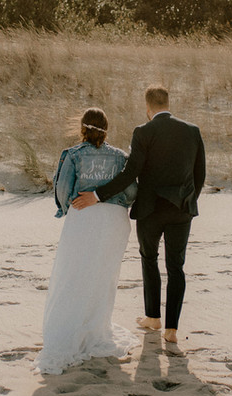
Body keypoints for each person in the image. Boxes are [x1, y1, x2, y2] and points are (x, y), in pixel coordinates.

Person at [72, 85, 205, 344]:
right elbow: (199, 174)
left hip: (150, 210)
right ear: (168, 102)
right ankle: (172, 330)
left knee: (149, 259)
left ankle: (153, 317)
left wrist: (98, 195)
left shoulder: (143, 131)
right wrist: (189, 201)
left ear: (147, 108)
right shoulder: (192, 131)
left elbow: (130, 172)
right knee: (176, 267)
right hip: (181, 210)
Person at [33, 108, 139, 375]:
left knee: (73, 274)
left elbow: (62, 189)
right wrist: (116, 204)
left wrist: (66, 207)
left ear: (82, 128)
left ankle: (69, 329)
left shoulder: (74, 154)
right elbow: (131, 190)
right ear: (107, 128)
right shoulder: (119, 157)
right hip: (114, 221)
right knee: (102, 278)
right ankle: (96, 326)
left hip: (84, 217)